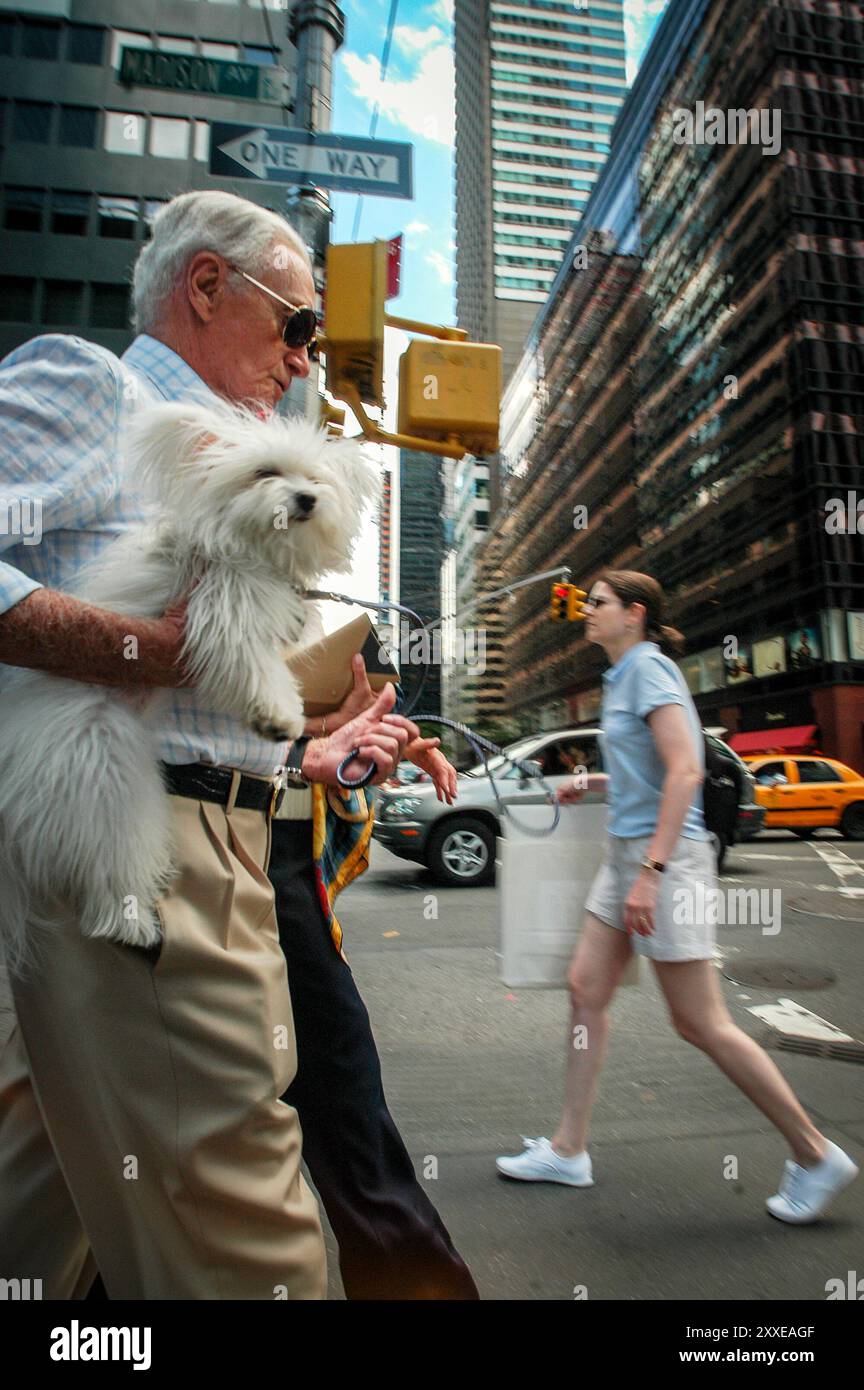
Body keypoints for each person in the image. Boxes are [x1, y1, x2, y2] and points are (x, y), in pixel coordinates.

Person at [0, 190, 420, 1299]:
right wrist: (146, 651)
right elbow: (168, 655)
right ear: (205, 287)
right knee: (249, 1233)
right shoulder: (103, 388)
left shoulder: (252, 463)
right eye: (297, 327)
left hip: (197, 838)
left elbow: (206, 678)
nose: (303, 361)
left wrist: (311, 734)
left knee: (46, 1229)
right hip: (143, 846)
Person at [496, 570, 859, 1225]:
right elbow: (655, 766)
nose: (587, 610)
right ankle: (568, 1148)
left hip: (669, 860)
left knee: (699, 1021)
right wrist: (595, 778)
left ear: (634, 613)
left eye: (598, 603)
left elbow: (688, 769)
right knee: (586, 989)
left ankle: (815, 1152)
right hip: (626, 853)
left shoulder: (650, 670)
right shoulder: (622, 676)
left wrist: (652, 873)